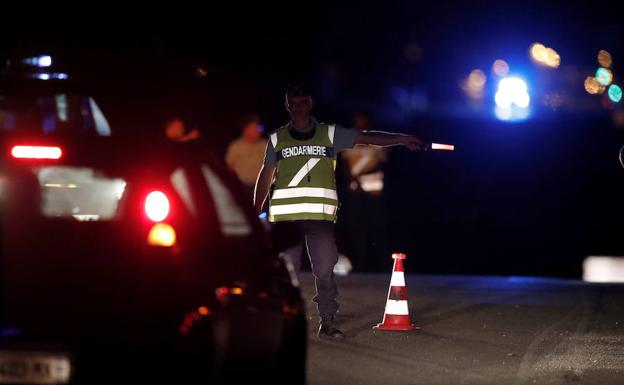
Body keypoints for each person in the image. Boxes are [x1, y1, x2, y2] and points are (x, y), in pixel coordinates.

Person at [253, 85, 422, 339]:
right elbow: (264, 177)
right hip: (285, 220)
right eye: (293, 104)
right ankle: (283, 322)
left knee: (324, 270)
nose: (299, 108)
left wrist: (400, 138)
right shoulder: (277, 139)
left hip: (320, 218)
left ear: (310, 104)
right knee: (287, 275)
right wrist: (254, 213)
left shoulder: (329, 134)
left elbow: (367, 136)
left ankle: (328, 321)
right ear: (288, 107)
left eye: (303, 102)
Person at [339, 111, 390, 272]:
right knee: (355, 229)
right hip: (354, 192)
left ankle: (382, 266)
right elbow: (345, 164)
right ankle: (360, 264)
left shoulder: (378, 140)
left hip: (373, 192)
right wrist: (352, 181)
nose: (359, 124)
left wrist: (364, 179)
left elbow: (383, 164)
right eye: (357, 121)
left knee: (377, 229)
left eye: (362, 121)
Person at [225, 114, 267, 197]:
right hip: (242, 189)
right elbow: (228, 167)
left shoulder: (265, 144)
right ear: (246, 130)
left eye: (258, 128)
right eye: (254, 128)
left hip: (261, 187)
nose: (258, 131)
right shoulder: (235, 146)